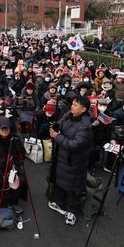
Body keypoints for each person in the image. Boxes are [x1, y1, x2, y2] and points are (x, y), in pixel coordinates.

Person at [47, 96, 93, 226]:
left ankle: (71, 212)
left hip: (75, 160)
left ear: (84, 109)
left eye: (76, 105)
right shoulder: (69, 116)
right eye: (72, 104)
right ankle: (60, 204)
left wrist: (58, 137)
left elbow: (76, 145)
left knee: (73, 186)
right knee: (61, 181)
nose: (72, 106)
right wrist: (55, 129)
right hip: (63, 156)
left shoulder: (85, 126)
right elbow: (61, 123)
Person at [0, 117, 27, 207]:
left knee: (20, 180)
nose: (5, 130)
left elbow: (22, 154)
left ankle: (14, 201)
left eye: (7, 128)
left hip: (12, 167)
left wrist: (15, 162)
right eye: (3, 128)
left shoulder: (15, 140)